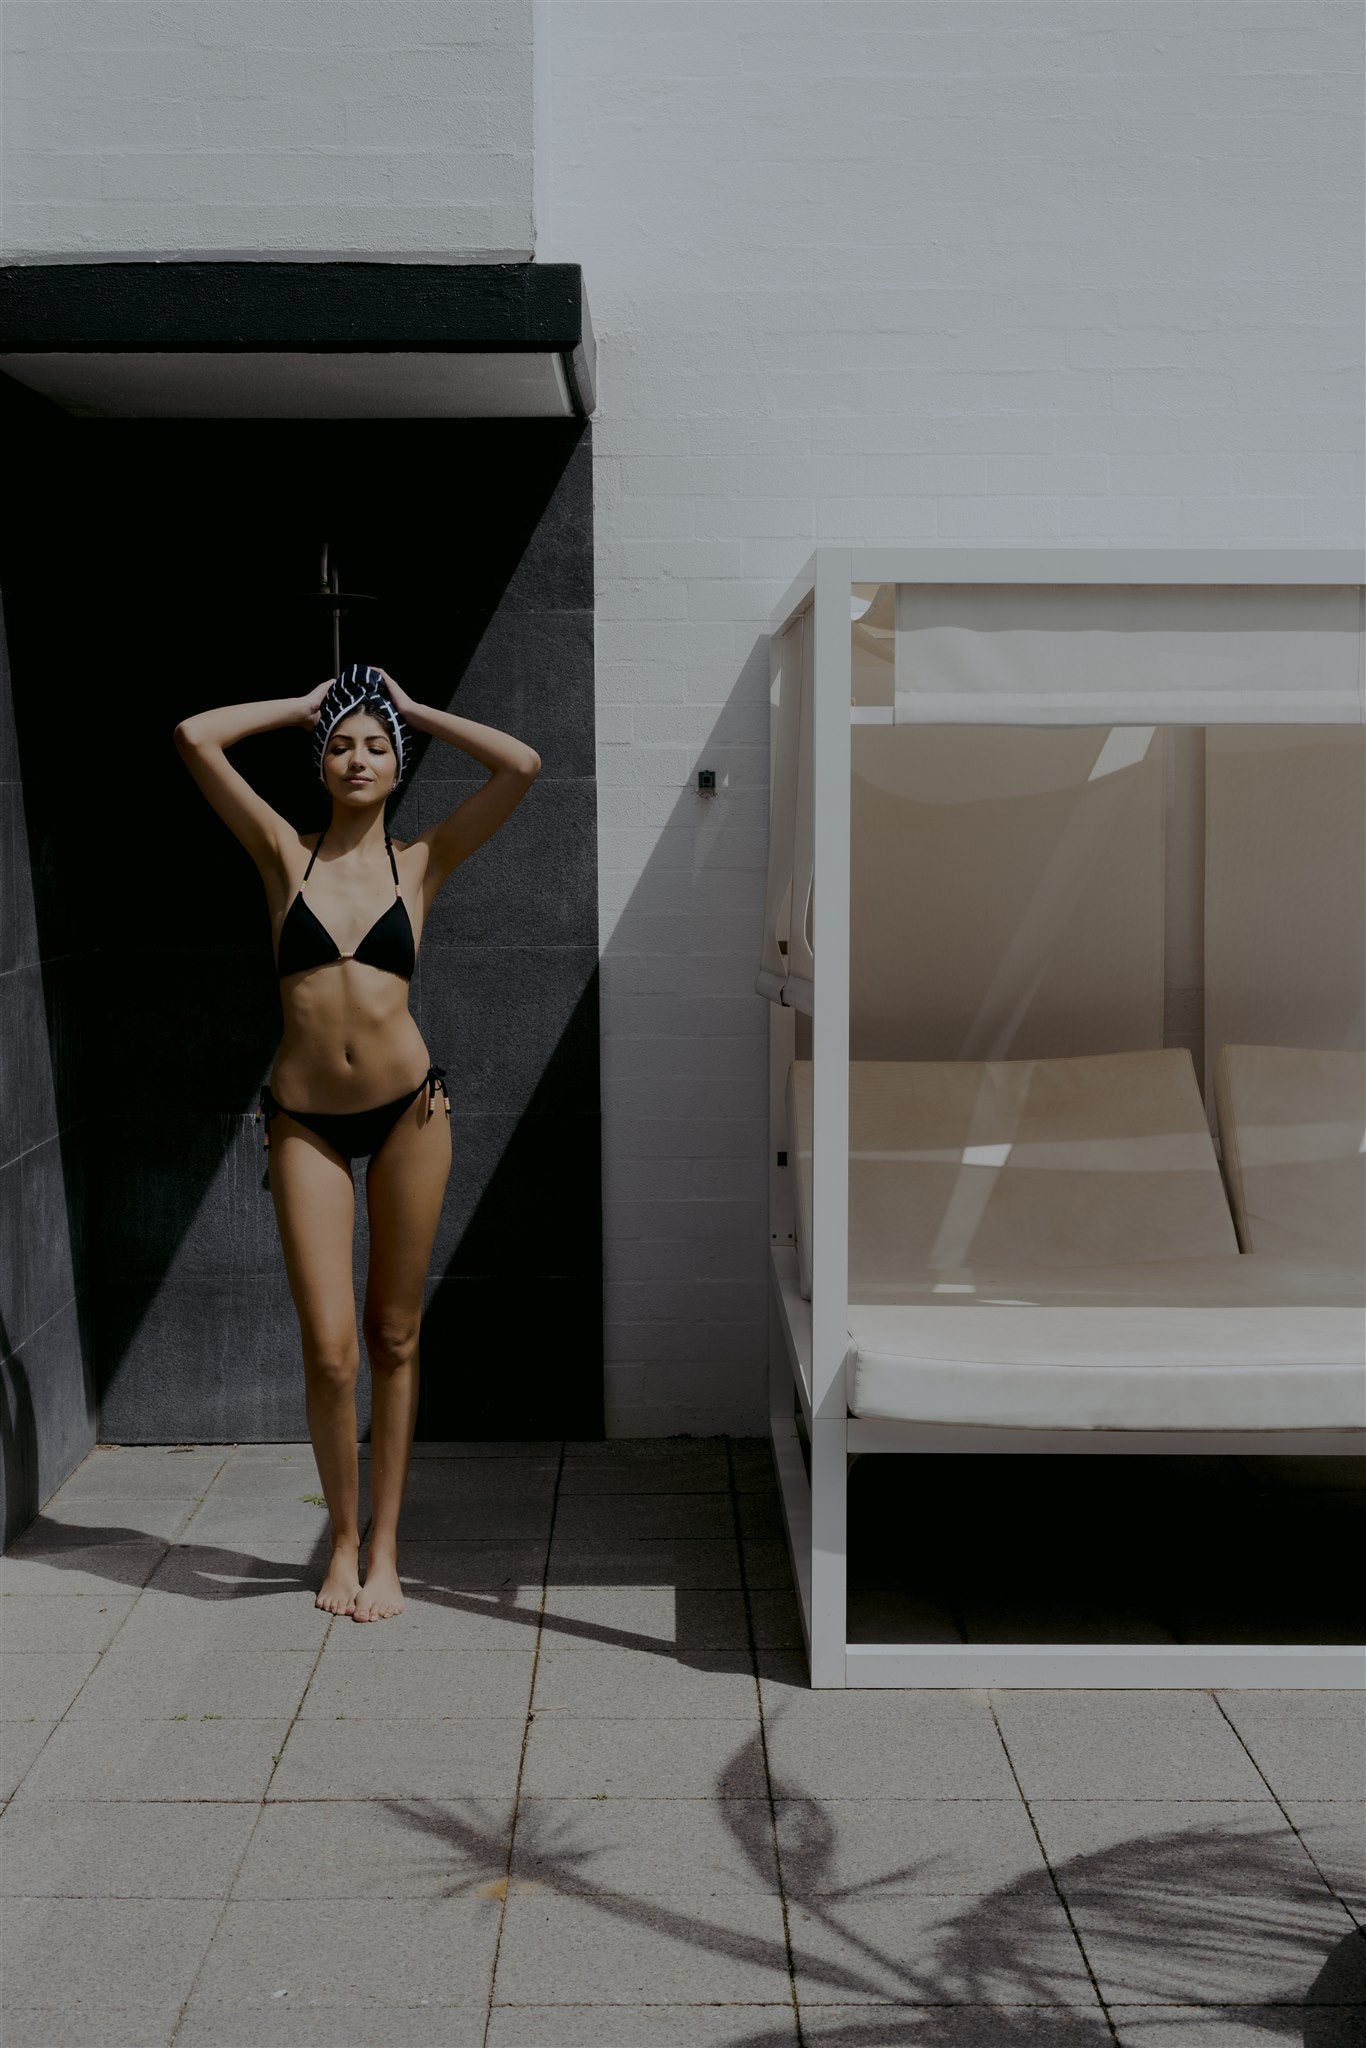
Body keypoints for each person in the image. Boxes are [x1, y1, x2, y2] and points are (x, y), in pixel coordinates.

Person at [174, 664, 540, 1620]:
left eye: (377, 746)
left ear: (398, 764)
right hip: (304, 1122)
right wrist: (303, 706)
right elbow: (195, 736)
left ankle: (385, 1548)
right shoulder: (281, 854)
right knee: (332, 1350)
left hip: (411, 1112)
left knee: (394, 1335)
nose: (358, 758)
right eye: (341, 745)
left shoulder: (422, 863)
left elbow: (521, 765)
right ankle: (340, 1541)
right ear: (321, 763)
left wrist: (413, 709)